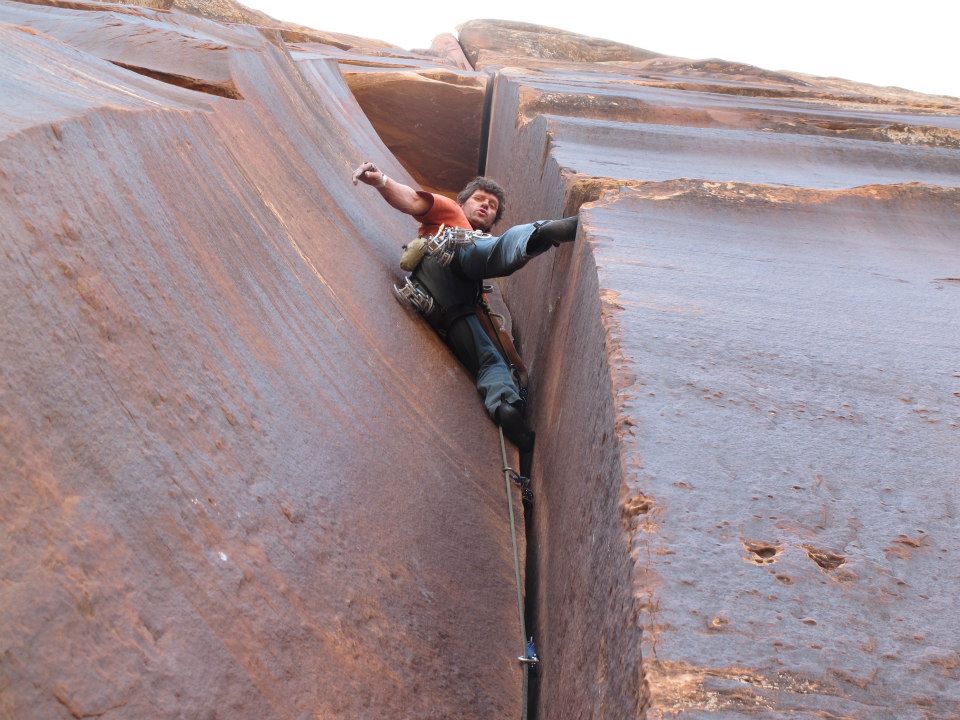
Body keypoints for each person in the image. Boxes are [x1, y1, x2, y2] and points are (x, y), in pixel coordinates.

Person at [352, 161, 577, 450]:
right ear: (463, 202)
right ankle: (544, 232)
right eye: (479, 199)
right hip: (451, 252)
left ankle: (505, 406)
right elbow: (412, 199)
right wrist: (381, 180)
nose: (485, 206)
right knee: (493, 250)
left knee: (488, 360)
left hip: (441, 304)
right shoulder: (451, 212)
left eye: (492, 206)